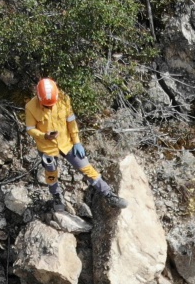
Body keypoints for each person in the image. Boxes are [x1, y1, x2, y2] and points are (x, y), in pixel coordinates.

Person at [25, 77, 129, 210]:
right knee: (51, 173)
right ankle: (56, 196)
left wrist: (77, 142)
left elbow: (71, 121)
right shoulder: (31, 107)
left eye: (52, 104)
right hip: (47, 147)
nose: (50, 107)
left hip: (67, 143)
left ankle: (109, 195)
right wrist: (44, 135)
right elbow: (30, 129)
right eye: (47, 106)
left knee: (86, 168)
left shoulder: (64, 99)